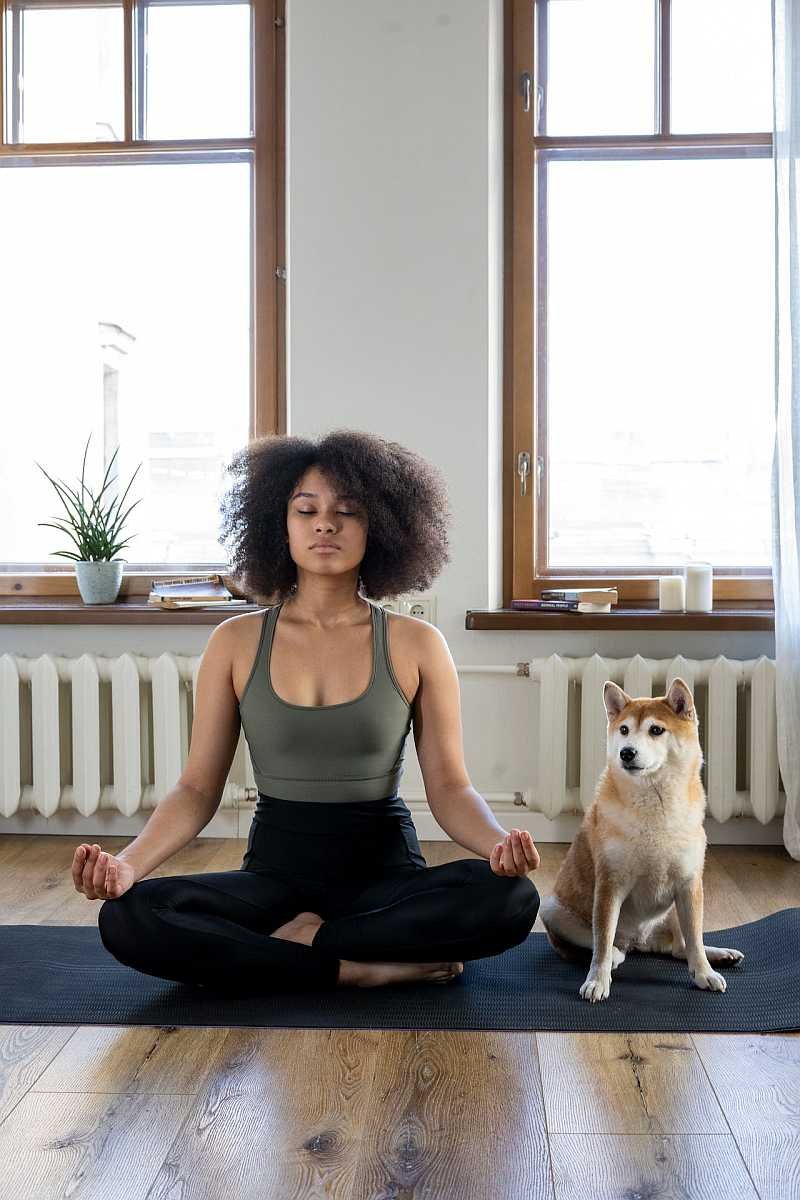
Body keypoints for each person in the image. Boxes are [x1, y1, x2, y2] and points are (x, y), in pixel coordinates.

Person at [72, 429, 541, 992]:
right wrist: (127, 866)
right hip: (274, 876)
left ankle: (301, 947)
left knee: (512, 898)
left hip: (384, 877)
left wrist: (496, 848)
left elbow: (449, 788)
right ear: (279, 524)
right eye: (306, 510)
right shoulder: (235, 641)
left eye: (347, 511)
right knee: (130, 916)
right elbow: (197, 789)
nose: (325, 524)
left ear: (382, 528)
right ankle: (352, 967)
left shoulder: (417, 643)